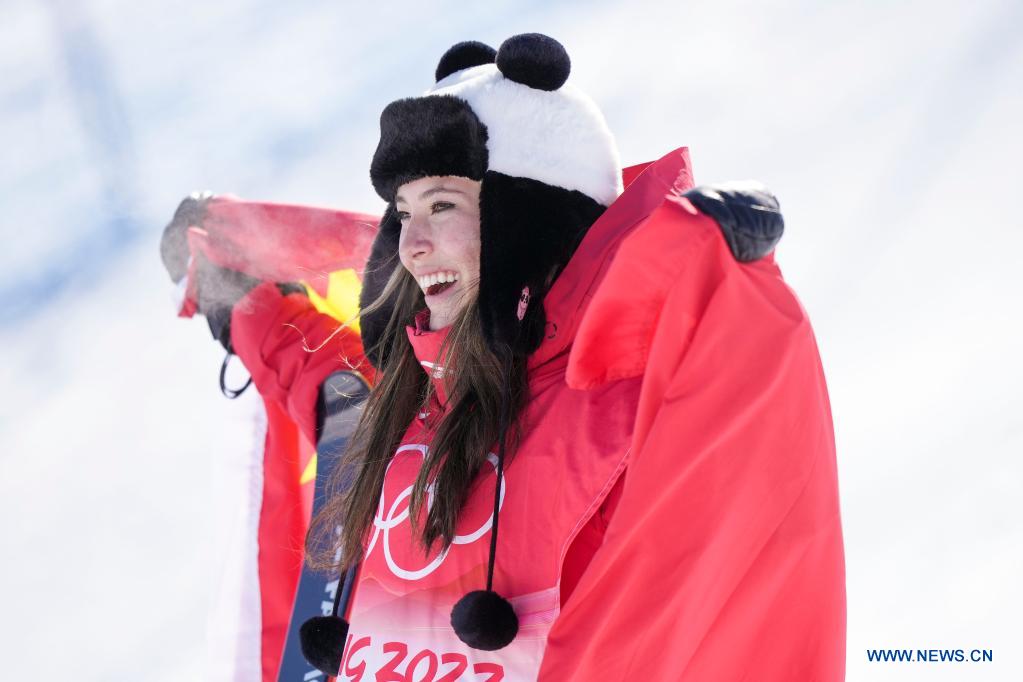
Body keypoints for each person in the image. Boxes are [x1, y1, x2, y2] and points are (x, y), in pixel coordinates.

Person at [167, 33, 845, 681]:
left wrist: (730, 282)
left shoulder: (615, 410)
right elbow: (314, 373)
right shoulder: (395, 411)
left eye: (442, 204)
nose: (412, 245)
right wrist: (226, 286)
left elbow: (743, 439)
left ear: (529, 216)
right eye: (402, 214)